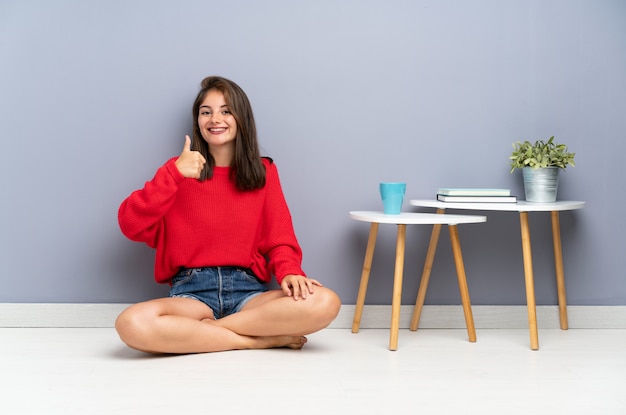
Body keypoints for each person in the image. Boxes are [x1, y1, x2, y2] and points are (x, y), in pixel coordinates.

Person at [115, 76, 341, 354]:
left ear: (241, 117)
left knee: (326, 301)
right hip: (192, 294)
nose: (215, 119)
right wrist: (173, 174)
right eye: (205, 112)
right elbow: (130, 224)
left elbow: (279, 237)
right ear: (197, 121)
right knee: (131, 323)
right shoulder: (178, 170)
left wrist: (290, 271)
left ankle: (203, 335)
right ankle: (256, 339)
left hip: (250, 293)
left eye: (226, 110)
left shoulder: (264, 172)